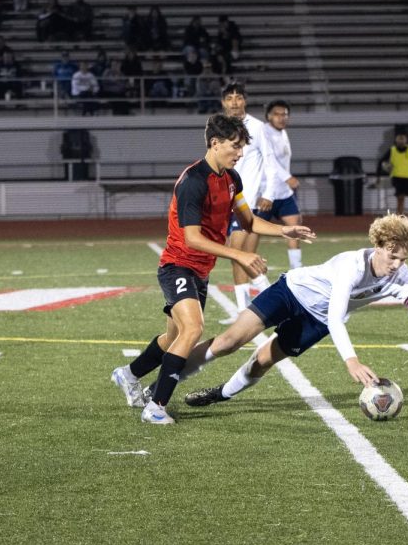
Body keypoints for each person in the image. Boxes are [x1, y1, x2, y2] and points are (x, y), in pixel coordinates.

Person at [108, 113, 316, 425]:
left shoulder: (232, 179)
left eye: (243, 146)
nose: (241, 153)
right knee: (193, 329)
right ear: (215, 143)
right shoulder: (194, 182)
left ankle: (128, 374)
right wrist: (239, 256)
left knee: (172, 339)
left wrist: (282, 231)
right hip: (178, 265)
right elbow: (192, 238)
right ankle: (156, 406)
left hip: (200, 271)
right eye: (235, 146)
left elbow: (249, 221)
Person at [179, 214, 408, 409]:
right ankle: (168, 379)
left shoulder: (403, 278)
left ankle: (220, 395)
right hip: (291, 292)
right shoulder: (353, 265)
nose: (396, 264)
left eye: (402, 259)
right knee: (229, 341)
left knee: (261, 361)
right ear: (379, 246)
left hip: (317, 320)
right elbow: (337, 317)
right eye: (392, 255)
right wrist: (352, 361)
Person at [219, 82, 274, 315]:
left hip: (247, 201)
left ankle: (245, 310)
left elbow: (270, 161)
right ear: (223, 102)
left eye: (238, 97)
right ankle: (271, 300)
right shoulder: (219, 128)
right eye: (229, 98)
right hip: (225, 201)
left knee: (237, 252)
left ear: (245, 101)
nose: (234, 102)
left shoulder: (258, 128)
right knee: (242, 256)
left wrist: (269, 193)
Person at [257, 100, 305, 270]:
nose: (281, 118)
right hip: (265, 193)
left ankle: (296, 270)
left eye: (284, 114)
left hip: (284, 193)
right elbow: (270, 160)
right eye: (277, 114)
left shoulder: (282, 133)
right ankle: (248, 274)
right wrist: (287, 177)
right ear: (268, 116)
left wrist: (286, 182)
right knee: (251, 235)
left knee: (295, 228)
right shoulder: (263, 132)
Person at [380, 132, 408, 227]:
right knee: (400, 199)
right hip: (397, 178)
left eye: (402, 139)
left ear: (405, 140)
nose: (401, 141)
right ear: (396, 141)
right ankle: (399, 221)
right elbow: (382, 160)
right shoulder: (392, 150)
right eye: (399, 140)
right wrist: (386, 166)